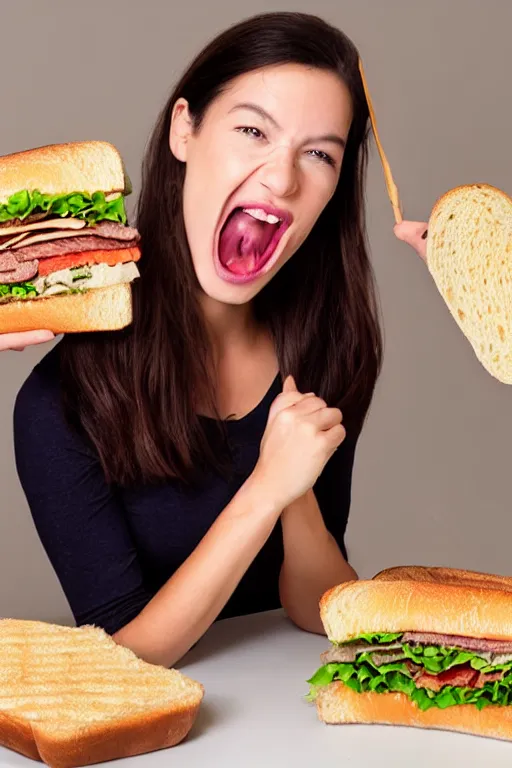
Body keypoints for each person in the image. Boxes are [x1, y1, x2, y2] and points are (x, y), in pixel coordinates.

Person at [8, 12, 428, 668]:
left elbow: (318, 604)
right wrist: (264, 487)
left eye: (319, 154)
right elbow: (127, 656)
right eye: (253, 130)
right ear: (185, 129)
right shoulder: (60, 403)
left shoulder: (330, 349)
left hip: (287, 722)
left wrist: (296, 488)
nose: (283, 178)